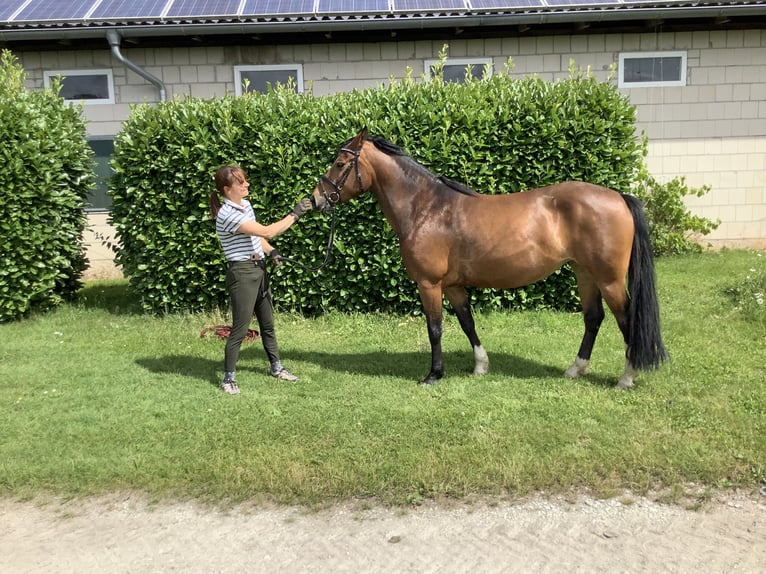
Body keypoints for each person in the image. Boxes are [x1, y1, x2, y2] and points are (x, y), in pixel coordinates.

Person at [208, 165, 313, 395]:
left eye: (245, 180)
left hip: (258, 269)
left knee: (268, 324)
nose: (246, 184)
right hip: (243, 274)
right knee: (240, 329)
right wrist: (295, 214)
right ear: (227, 189)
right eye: (241, 182)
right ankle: (228, 378)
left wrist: (271, 251)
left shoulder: (245, 206)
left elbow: (259, 239)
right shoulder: (227, 215)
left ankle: (276, 368)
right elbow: (267, 231)